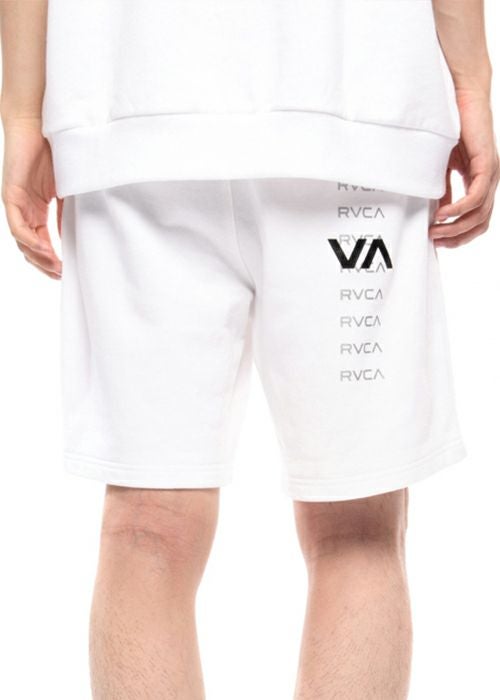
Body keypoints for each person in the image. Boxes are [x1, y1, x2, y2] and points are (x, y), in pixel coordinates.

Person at [0, 1, 498, 698]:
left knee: (147, 527)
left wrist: (23, 112)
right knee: (355, 528)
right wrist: (471, 83)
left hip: (132, 110)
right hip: (354, 105)